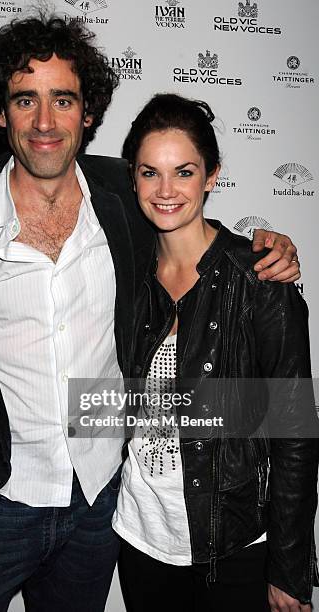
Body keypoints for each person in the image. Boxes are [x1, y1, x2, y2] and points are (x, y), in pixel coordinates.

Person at [0, 11, 300, 612]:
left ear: (87, 112)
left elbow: (182, 213)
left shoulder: (124, 197)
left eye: (63, 99)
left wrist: (263, 252)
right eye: (25, 100)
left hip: (99, 510)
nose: (45, 122)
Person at [111, 94, 319, 612]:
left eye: (183, 171)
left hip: (235, 548)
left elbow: (294, 433)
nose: (165, 191)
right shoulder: (124, 275)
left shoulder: (262, 281)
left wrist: (289, 569)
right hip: (139, 537)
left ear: (211, 176)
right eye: (148, 172)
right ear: (131, 178)